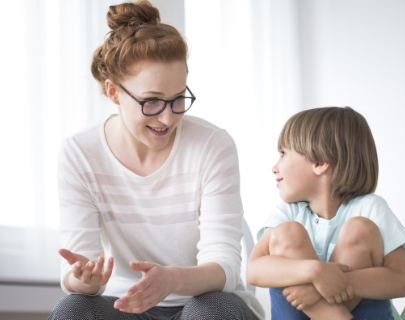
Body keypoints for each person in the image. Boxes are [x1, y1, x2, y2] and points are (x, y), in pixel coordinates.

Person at [48, 1, 264, 319]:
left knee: (214, 309)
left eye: (178, 99)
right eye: (151, 101)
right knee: (73, 309)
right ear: (113, 92)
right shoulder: (80, 153)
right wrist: (82, 279)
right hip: (126, 305)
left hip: (201, 302)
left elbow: (226, 266)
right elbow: (77, 268)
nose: (166, 117)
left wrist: (174, 279)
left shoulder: (213, 145)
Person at [247, 107, 405, 320]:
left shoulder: (371, 208)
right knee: (287, 233)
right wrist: (315, 272)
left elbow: (400, 281)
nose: (275, 166)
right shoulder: (288, 212)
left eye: (283, 154)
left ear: (319, 163)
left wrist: (328, 285)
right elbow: (253, 270)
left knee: (359, 229)